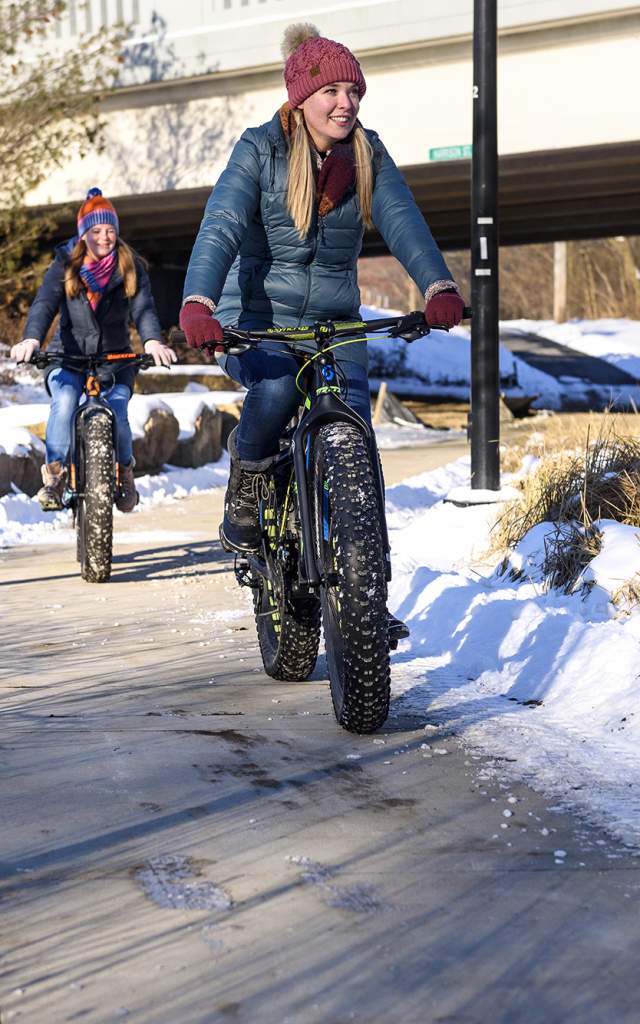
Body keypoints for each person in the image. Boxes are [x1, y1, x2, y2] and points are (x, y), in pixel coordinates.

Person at [179, 22, 464, 555]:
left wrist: (437, 286)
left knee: (357, 440)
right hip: (260, 320)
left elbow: (403, 221)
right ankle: (248, 473)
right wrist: (199, 302)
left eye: (354, 91)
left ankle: (364, 585)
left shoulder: (366, 154)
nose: (346, 102)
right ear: (302, 98)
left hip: (336, 325)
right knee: (280, 387)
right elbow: (221, 225)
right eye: (332, 91)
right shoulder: (260, 150)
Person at [11, 188, 176, 513]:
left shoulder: (129, 265)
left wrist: (152, 341)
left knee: (119, 413)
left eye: (111, 231)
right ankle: (55, 477)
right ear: (84, 234)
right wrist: (32, 339)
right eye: (97, 231)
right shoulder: (64, 264)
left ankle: (124, 471)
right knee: (66, 401)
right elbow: (45, 304)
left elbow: (143, 309)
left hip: (114, 360)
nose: (105, 238)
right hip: (66, 357)